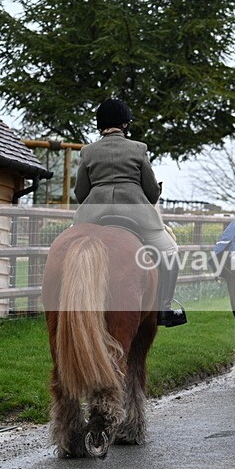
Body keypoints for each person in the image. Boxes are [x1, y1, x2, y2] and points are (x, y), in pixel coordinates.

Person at [73, 98, 187, 327]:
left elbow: (80, 193)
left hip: (93, 215)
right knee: (170, 252)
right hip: (136, 215)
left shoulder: (88, 152)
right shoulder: (138, 148)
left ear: (100, 123)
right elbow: (152, 191)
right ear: (125, 124)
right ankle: (164, 308)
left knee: (66, 248)